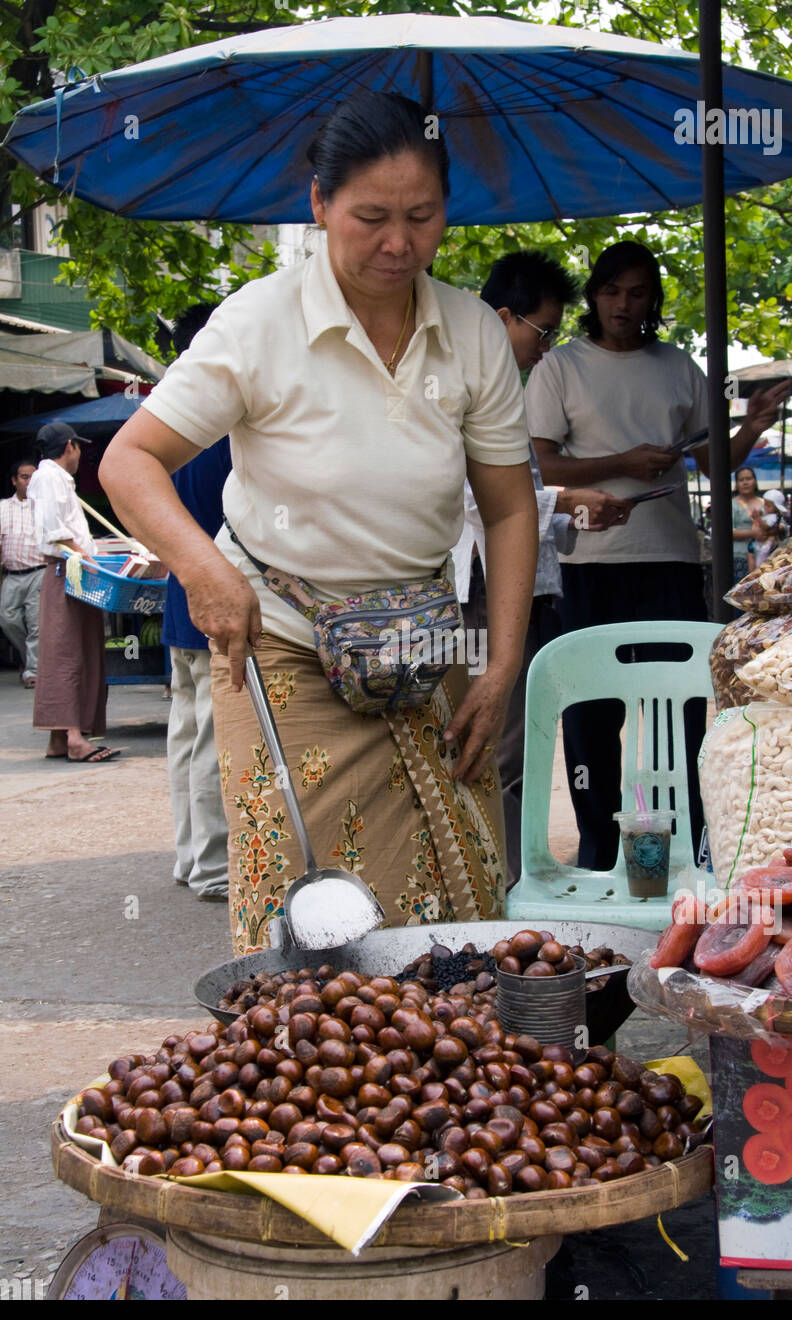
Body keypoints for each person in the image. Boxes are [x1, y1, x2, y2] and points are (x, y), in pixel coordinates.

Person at [100, 91, 539, 954]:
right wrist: (204, 569)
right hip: (286, 642)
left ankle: (445, 1078)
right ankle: (312, 1079)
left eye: (423, 216)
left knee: (460, 890)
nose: (398, 243)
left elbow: (511, 504)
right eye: (371, 216)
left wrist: (500, 664)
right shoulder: (258, 322)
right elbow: (128, 460)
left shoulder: (474, 334)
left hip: (424, 640)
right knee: (310, 904)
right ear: (319, 205)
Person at [526, 240, 788, 870]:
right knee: (593, 709)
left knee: (685, 702)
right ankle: (597, 850)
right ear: (593, 297)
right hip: (590, 562)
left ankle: (696, 844)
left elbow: (710, 456)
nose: (624, 304)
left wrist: (748, 427)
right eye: (612, 291)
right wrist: (625, 461)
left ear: (653, 300)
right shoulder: (560, 367)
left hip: (671, 556)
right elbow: (541, 463)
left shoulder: (679, 368)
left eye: (638, 292)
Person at [454, 250, 632, 885]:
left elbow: (519, 515)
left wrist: (573, 521)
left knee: (523, 745)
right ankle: (496, 883)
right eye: (543, 331)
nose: (546, 347)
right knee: (494, 743)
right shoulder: (461, 386)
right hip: (480, 592)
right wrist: (565, 499)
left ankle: (515, 871)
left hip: (527, 592)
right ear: (504, 318)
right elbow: (468, 499)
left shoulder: (508, 391)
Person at [163, 305, 233, 903]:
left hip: (177, 600)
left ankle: (190, 857)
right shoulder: (216, 421)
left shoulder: (162, 415)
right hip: (214, 602)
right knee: (211, 740)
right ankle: (214, 867)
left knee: (187, 737)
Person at [28, 421, 119, 763]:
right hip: (67, 570)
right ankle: (74, 736)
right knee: (68, 653)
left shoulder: (55, 478)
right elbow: (56, 532)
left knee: (79, 647)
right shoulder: (50, 477)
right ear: (70, 446)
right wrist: (86, 559)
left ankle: (60, 738)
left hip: (73, 568)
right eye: (78, 447)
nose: (79, 453)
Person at [0, 459, 43, 686]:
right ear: (14, 481)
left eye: (33, 477)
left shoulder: (44, 505)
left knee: (36, 624)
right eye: (24, 477)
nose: (29, 481)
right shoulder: (3, 508)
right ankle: (30, 661)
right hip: (12, 575)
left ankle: (33, 672)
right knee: (7, 619)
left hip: (39, 572)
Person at [731, 465, 766, 581]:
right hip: (740, 556)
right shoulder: (732, 504)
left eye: (749, 479)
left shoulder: (765, 503)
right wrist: (752, 533)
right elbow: (726, 532)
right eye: (741, 480)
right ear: (736, 484)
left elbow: (778, 524)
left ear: (755, 481)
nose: (745, 482)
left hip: (764, 555)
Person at [752, 487, 788, 568]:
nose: (765, 507)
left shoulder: (775, 517)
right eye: (765, 504)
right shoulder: (767, 515)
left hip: (772, 547)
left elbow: (766, 527)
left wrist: (758, 518)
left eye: (768, 506)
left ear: (776, 508)